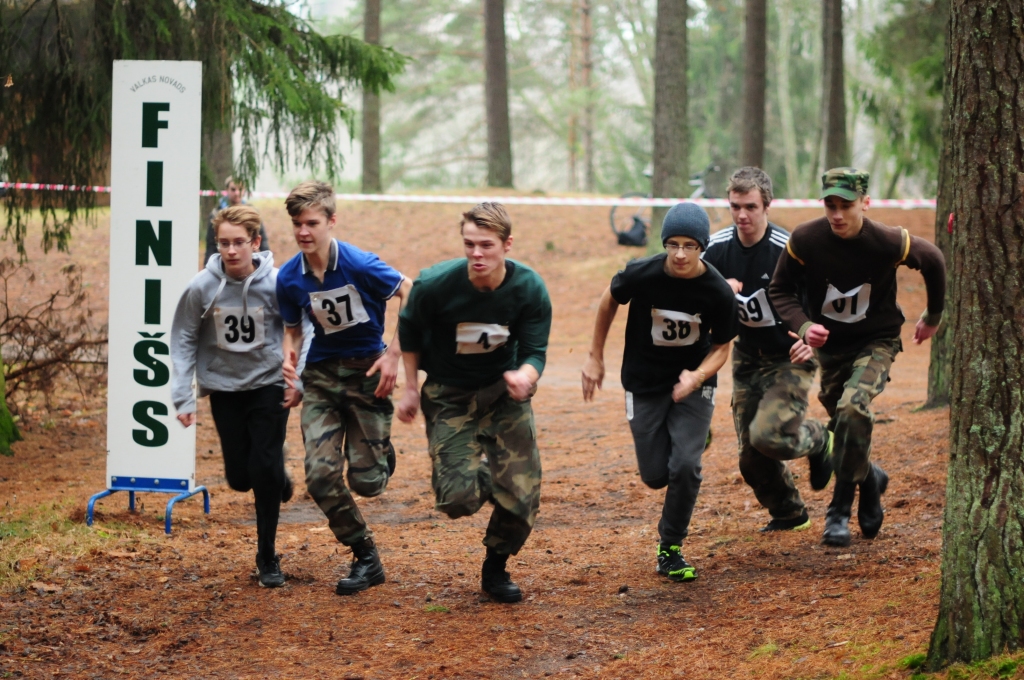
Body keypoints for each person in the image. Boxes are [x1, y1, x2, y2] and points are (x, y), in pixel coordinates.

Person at [769, 167, 946, 547]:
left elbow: (933, 260)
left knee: (853, 408)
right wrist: (802, 326)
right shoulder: (806, 239)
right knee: (845, 421)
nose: (837, 214)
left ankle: (838, 510)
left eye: (846, 205)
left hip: (877, 341)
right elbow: (779, 290)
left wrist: (933, 316)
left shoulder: (887, 241)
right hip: (831, 350)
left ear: (865, 203)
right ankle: (871, 478)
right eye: (830, 205)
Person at [396, 202, 551, 604]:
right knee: (456, 500)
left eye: (486, 245)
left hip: (504, 394)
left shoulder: (528, 288)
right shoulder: (436, 285)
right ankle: (488, 473)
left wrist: (525, 377)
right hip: (449, 394)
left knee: (522, 498)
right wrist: (411, 387)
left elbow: (535, 350)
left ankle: (496, 567)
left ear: (507, 244)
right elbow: (409, 332)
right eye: (469, 245)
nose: (477, 254)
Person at [582, 202, 738, 582]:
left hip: (692, 385)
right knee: (655, 475)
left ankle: (670, 546)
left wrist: (697, 376)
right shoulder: (642, 273)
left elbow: (723, 346)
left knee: (685, 466)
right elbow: (608, 300)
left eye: (690, 245)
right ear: (665, 243)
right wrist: (595, 357)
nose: (681, 254)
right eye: (673, 244)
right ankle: (691, 440)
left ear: (702, 246)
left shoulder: (717, 290)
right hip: (644, 381)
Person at [276, 180, 411, 595]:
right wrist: (290, 360)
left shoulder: (359, 264)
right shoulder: (289, 277)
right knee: (319, 476)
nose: (304, 232)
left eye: (312, 222)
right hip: (319, 378)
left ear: (331, 221)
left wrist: (393, 354)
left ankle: (378, 452)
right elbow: (293, 328)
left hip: (366, 372)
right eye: (297, 224)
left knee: (368, 483)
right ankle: (364, 554)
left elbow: (413, 292)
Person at [171, 204, 300, 588]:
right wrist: (183, 394)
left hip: (268, 383)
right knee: (240, 478)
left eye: (239, 243)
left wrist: (298, 376)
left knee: (263, 468)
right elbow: (182, 337)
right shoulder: (201, 287)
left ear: (255, 243)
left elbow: (298, 327)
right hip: (224, 387)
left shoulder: (277, 283)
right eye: (223, 243)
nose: (230, 250)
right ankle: (278, 474)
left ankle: (267, 555)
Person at [702, 167, 833, 533]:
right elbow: (693, 298)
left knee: (768, 436)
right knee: (750, 459)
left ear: (767, 207)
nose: (742, 215)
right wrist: (718, 291)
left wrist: (811, 343)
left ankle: (821, 438)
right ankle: (790, 513)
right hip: (747, 357)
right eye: (735, 207)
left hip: (790, 356)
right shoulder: (717, 248)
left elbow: (824, 303)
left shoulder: (787, 250)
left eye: (750, 207)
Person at [204, 176, 269, 266]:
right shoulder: (216, 214)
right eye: (233, 189)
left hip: (249, 264)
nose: (237, 193)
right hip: (222, 265)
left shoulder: (252, 212)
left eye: (240, 189)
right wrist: (207, 269)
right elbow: (211, 247)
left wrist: (267, 264)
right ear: (227, 190)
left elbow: (263, 242)